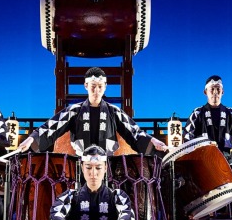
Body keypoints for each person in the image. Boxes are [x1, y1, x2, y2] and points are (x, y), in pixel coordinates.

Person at [17, 67, 168, 156]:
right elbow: (51, 127)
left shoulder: (114, 111)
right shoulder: (74, 111)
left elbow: (134, 132)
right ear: (85, 86)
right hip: (80, 165)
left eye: (100, 86)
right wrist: (32, 139)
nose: (96, 90)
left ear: (105, 86)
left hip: (107, 165)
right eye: (92, 86)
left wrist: (153, 141)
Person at [183, 75, 232, 163]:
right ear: (205, 92)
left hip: (226, 159)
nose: (215, 92)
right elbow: (187, 135)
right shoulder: (197, 113)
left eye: (218, 89)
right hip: (203, 159)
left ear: (222, 92)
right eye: (212, 89)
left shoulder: (231, 113)